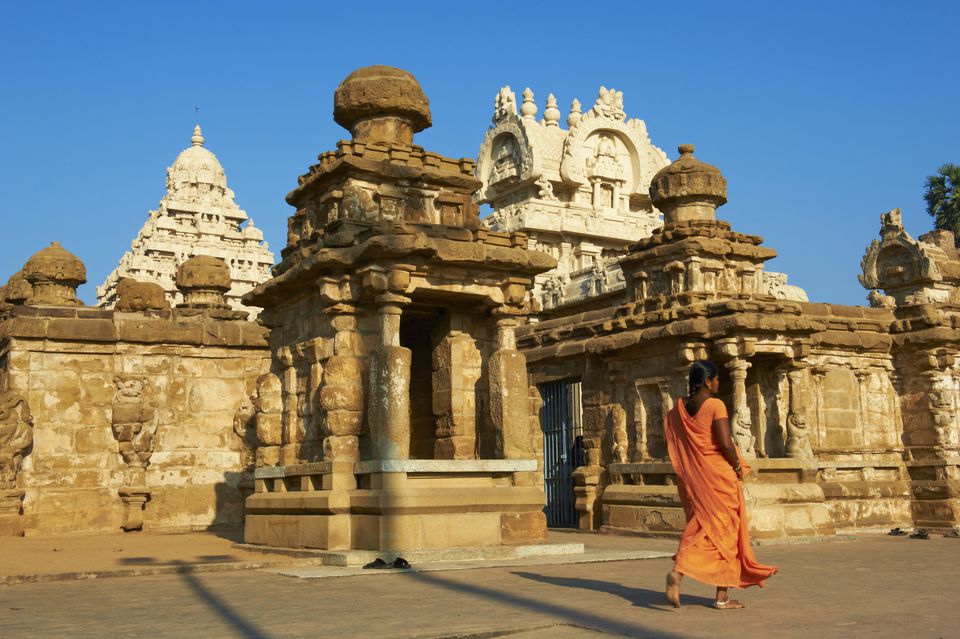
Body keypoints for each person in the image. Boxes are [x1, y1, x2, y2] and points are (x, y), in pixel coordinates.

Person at [663, 360, 777, 610]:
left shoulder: (678, 409)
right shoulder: (715, 405)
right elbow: (725, 443)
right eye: (716, 379)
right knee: (725, 533)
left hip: (697, 480)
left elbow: (678, 444)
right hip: (719, 477)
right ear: (707, 382)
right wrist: (737, 466)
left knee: (706, 528)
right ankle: (689, 575)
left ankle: (706, 587)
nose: (718, 383)